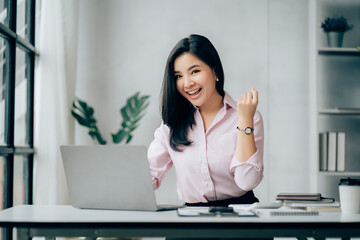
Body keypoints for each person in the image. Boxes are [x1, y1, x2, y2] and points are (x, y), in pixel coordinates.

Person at [148, 34, 264, 208]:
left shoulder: (247, 116)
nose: (187, 83)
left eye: (195, 71)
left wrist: (245, 120)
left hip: (241, 216)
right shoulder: (171, 125)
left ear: (215, 70)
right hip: (192, 220)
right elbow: (147, 178)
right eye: (178, 76)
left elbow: (247, 181)